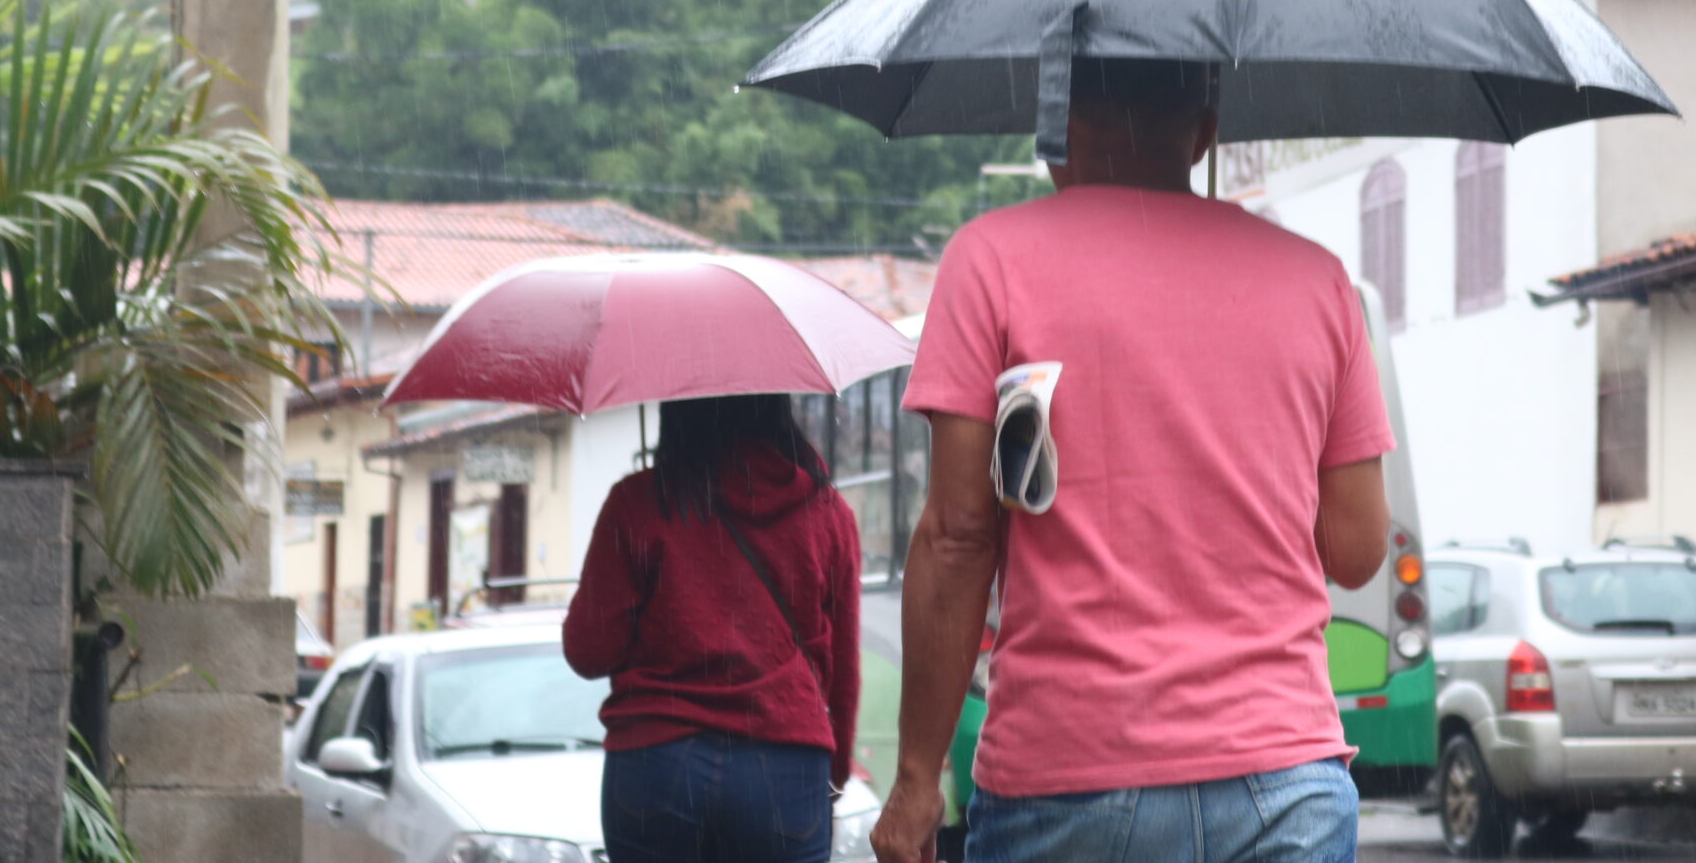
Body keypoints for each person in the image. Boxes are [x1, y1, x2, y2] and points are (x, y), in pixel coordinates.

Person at [873, 58, 1394, 863]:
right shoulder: (1318, 280)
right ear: (1205, 130)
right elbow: (1357, 552)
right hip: (1283, 781)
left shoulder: (992, 260)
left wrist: (915, 781)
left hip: (1069, 779)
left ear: (1059, 127)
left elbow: (956, 537)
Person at [564, 392, 862, 863]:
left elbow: (588, 652)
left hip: (658, 761)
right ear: (777, 405)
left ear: (677, 407)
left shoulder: (638, 504)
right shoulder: (827, 514)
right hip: (784, 763)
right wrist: (836, 769)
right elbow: (843, 668)